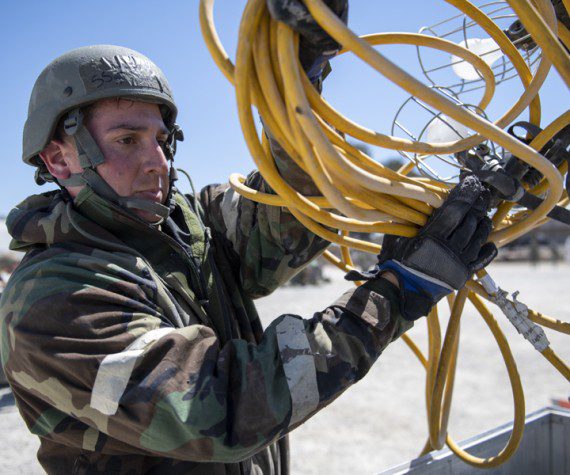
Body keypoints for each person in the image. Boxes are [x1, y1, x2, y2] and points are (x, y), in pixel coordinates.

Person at [0, 1, 496, 473]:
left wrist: (297, 84)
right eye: (127, 140)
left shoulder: (187, 226)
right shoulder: (54, 297)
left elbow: (285, 219)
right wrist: (398, 291)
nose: (158, 162)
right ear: (59, 160)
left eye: (161, 140)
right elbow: (224, 407)